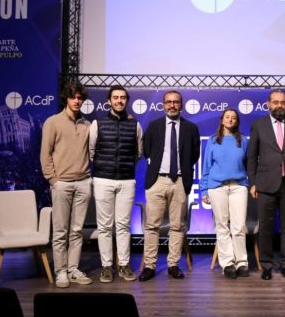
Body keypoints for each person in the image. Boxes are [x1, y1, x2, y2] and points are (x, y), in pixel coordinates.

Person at [139, 90, 201, 281]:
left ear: (181, 105)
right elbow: (146, 148)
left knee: (177, 226)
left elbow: (195, 154)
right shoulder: (154, 125)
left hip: (180, 181)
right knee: (152, 226)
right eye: (168, 102)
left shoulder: (191, 128)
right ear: (163, 105)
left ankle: (173, 265)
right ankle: (150, 266)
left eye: (175, 102)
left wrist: (183, 170)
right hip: (157, 180)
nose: (172, 105)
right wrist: (156, 164)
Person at [40, 81, 93, 288]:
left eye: (80, 98)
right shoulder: (53, 122)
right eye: (73, 97)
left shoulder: (88, 125)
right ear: (66, 99)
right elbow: (45, 154)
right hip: (61, 183)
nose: (77, 101)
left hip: (83, 183)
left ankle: (73, 269)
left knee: (77, 231)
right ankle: (60, 271)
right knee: (60, 231)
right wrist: (53, 180)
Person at [88, 85, 142, 283]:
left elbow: (138, 153)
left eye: (122, 98)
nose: (119, 101)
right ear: (109, 101)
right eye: (115, 97)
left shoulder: (135, 125)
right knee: (104, 227)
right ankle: (106, 266)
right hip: (103, 179)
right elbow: (91, 152)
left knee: (123, 226)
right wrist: (105, 166)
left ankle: (124, 265)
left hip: (126, 180)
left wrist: (124, 166)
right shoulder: (97, 124)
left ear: (126, 101)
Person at [247, 89, 285, 280]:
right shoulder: (258, 125)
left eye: (283, 102)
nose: (280, 105)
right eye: (276, 102)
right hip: (265, 184)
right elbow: (252, 156)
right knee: (266, 227)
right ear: (268, 104)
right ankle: (267, 265)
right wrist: (252, 182)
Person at [200, 109, 250, 279]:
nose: (230, 120)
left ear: (237, 122)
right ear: (222, 120)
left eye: (233, 118)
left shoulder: (243, 140)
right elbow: (207, 166)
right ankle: (228, 263)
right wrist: (204, 189)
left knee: (239, 226)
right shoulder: (213, 140)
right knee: (222, 226)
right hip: (217, 187)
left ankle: (242, 262)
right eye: (227, 117)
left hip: (239, 186)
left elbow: (248, 164)